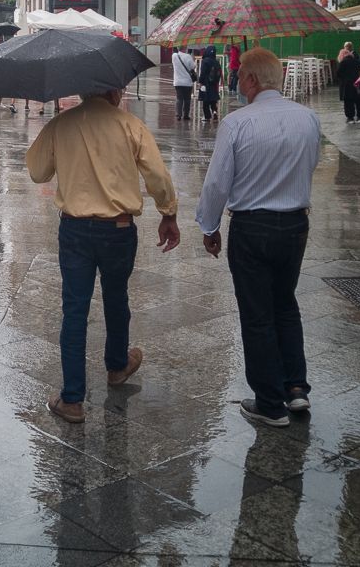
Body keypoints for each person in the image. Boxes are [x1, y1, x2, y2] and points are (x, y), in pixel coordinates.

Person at [26, 88, 180, 424]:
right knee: (116, 297)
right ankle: (116, 366)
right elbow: (157, 174)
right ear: (115, 90)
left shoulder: (61, 124)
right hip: (119, 230)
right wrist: (168, 212)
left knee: (75, 310)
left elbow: (37, 172)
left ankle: (72, 400)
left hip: (75, 231)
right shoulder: (130, 125)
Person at [195, 47, 321, 428]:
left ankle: (269, 402)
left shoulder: (237, 123)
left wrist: (209, 225)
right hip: (295, 224)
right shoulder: (309, 119)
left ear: (250, 80)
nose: (237, 80)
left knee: (257, 314)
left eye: (239, 75)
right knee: (285, 304)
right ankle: (295, 387)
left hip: (252, 227)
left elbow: (218, 181)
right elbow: (310, 164)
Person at [335, 41, 360, 124]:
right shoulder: (357, 61)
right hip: (357, 84)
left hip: (347, 85)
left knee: (348, 101)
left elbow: (338, 74)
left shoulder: (343, 62)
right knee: (359, 101)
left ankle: (350, 118)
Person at [171, 45, 196, 121]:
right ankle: (186, 115)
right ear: (185, 48)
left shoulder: (174, 56)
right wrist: (193, 59)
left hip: (178, 82)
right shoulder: (188, 56)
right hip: (187, 82)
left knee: (179, 98)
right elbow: (193, 67)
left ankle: (178, 115)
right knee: (187, 99)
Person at [198, 46, 223, 121]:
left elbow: (202, 73)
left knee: (206, 101)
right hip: (214, 84)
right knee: (213, 100)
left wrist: (201, 81)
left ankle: (207, 116)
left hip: (206, 83)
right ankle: (214, 112)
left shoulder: (205, 61)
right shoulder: (216, 61)